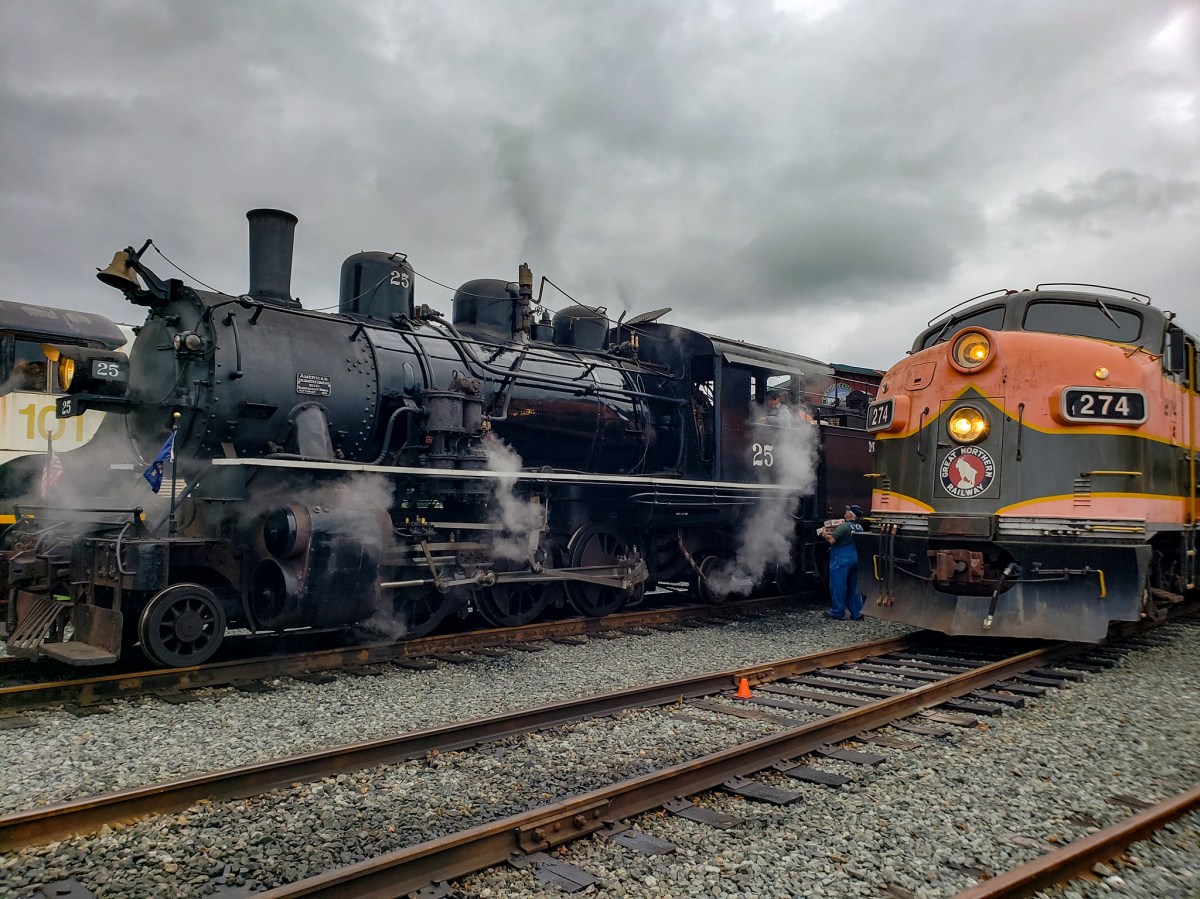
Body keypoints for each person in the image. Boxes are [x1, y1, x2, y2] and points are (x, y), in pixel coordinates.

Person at [822, 505, 865, 620]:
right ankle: (857, 613)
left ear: (850, 515)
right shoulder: (859, 527)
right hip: (856, 558)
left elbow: (832, 540)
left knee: (838, 586)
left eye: (847, 512)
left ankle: (837, 612)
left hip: (842, 560)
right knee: (854, 587)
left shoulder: (844, 527)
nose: (845, 513)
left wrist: (825, 535)